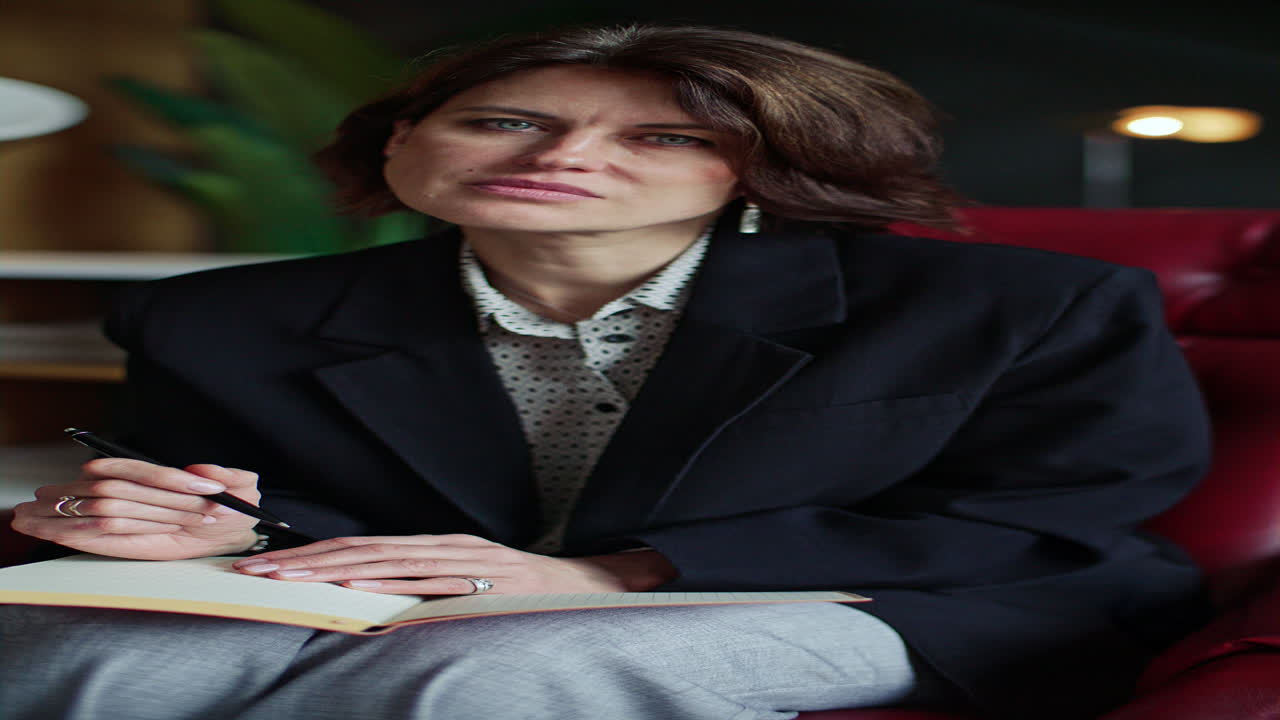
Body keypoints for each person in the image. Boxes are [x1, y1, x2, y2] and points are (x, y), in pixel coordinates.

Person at [4, 23, 1210, 720]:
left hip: (899, 596)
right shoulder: (219, 318)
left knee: (497, 674)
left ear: (760, 174)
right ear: (402, 144)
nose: (563, 157)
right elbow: (259, 503)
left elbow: (1049, 516)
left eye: (663, 136)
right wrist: (175, 524)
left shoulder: (1022, 303)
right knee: (81, 655)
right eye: (505, 120)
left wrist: (607, 574)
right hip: (416, 599)